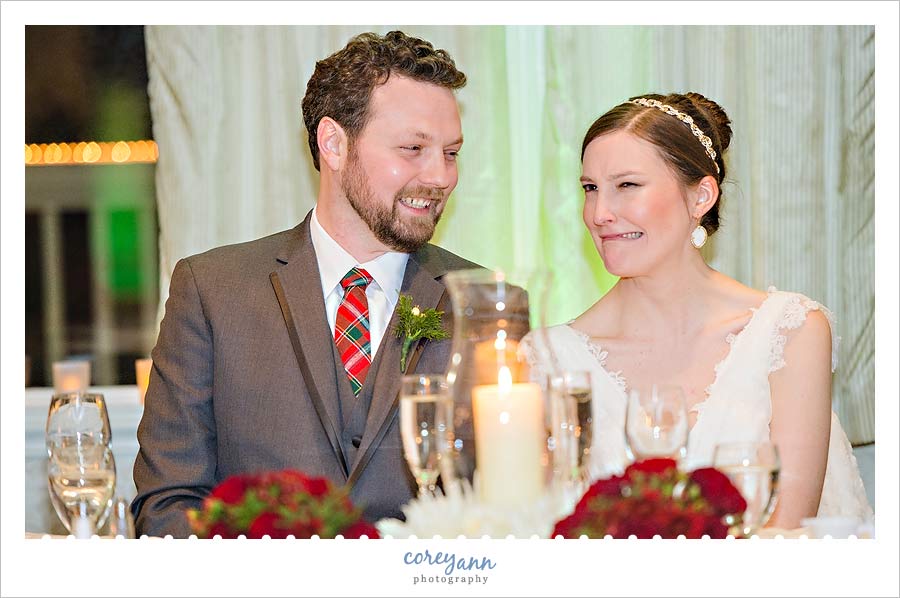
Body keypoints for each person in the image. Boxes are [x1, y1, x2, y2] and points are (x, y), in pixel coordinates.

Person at [131, 31, 478, 537]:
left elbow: (505, 504)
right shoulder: (211, 291)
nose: (441, 176)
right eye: (414, 148)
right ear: (334, 144)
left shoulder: (483, 301)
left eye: (451, 153)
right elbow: (167, 506)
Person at [530, 92, 871, 528]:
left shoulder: (790, 332)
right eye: (590, 189)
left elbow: (787, 530)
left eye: (627, 185)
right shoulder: (549, 358)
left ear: (701, 196)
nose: (599, 213)